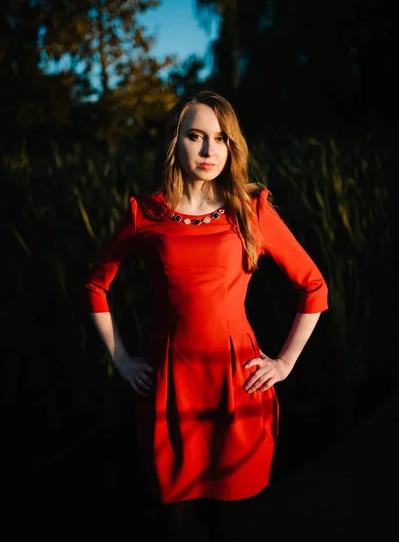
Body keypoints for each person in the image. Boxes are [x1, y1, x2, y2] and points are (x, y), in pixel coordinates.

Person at [82, 90, 328, 540]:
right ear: (176, 142)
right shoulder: (146, 213)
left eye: (220, 138)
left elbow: (314, 286)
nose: (209, 150)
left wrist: (285, 362)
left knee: (238, 517)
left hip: (238, 383)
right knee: (176, 519)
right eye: (196, 136)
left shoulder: (250, 210)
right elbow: (96, 286)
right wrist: (122, 360)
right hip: (170, 386)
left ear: (232, 146)